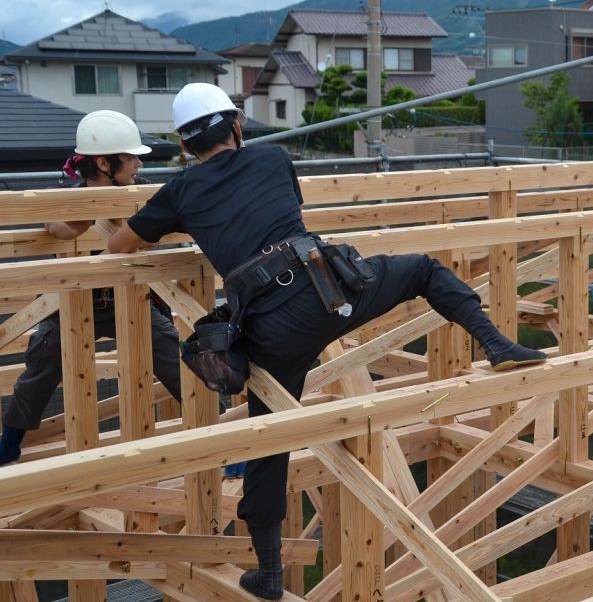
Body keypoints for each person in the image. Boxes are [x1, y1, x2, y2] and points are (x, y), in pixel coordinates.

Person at [108, 83, 547, 600]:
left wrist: (149, 218)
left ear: (185, 147)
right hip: (330, 290)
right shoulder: (271, 158)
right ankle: (496, 345)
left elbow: (121, 245)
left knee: (268, 442)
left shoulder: (178, 192)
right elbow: (276, 212)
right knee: (424, 270)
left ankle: (270, 573)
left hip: (271, 333)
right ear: (235, 127)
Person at [0, 111, 185, 466]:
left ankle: (222, 426)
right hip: (72, 302)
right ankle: (9, 444)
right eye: (130, 157)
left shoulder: (141, 194)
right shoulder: (68, 199)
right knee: (39, 370)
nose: (135, 164)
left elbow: (152, 235)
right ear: (103, 162)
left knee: (178, 361)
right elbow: (57, 228)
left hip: (130, 299)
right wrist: (83, 217)